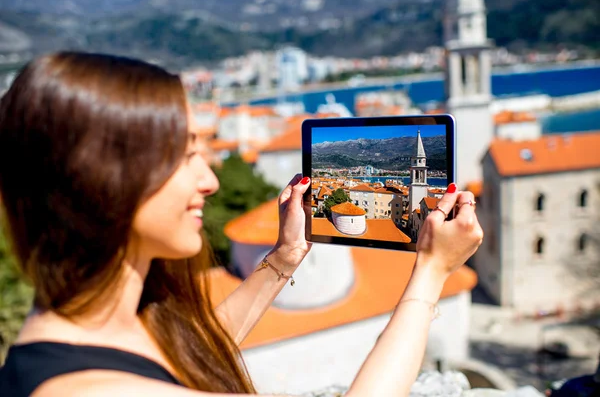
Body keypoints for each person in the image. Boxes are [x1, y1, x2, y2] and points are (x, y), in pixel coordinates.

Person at [0, 52, 483, 397]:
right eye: (184, 154)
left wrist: (285, 257)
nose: (210, 180)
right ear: (101, 179)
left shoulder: (81, 322)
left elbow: (189, 354)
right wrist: (431, 272)